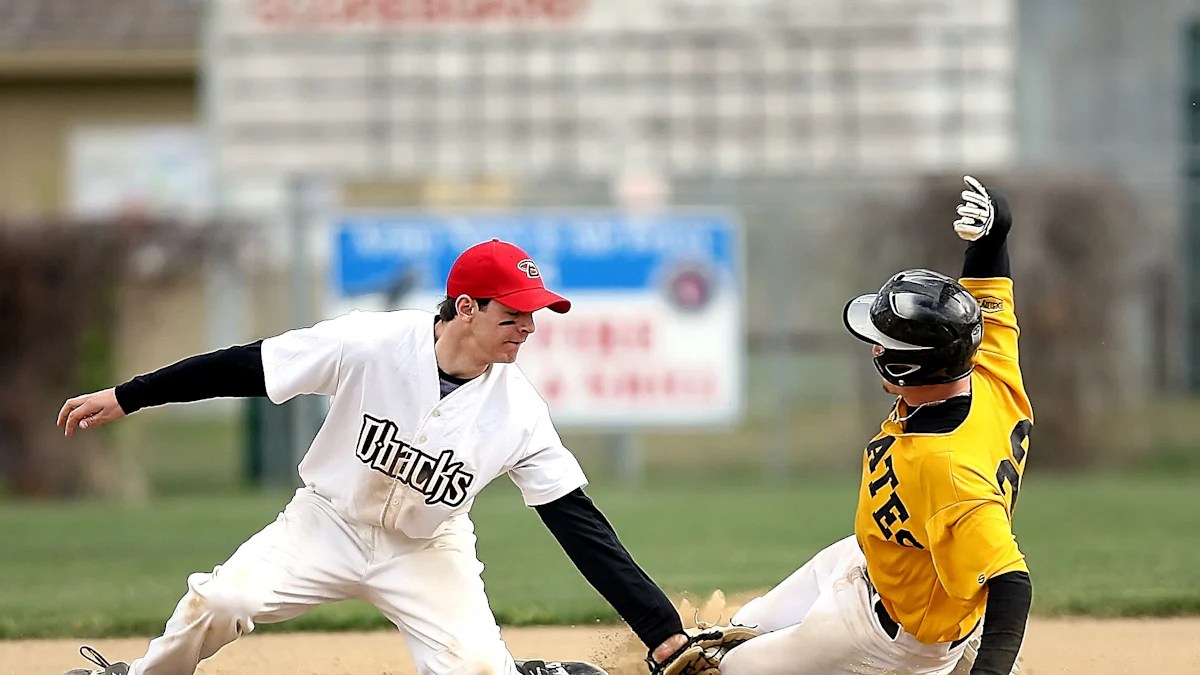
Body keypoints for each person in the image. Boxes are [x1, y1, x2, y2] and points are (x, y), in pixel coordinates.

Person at [58, 238, 689, 675]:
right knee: (223, 602)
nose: (530, 325)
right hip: (325, 524)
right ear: (466, 308)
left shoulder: (518, 410)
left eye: (536, 314)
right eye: (516, 313)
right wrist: (129, 396)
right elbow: (249, 365)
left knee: (472, 669)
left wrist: (660, 630)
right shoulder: (371, 342)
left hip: (425, 549)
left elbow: (578, 523)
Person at [657, 176, 1033, 675]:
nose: (874, 347)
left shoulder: (947, 467)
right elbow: (988, 284)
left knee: (723, 671)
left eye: (883, 343)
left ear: (905, 368)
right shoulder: (986, 368)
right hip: (877, 557)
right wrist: (994, 232)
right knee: (736, 631)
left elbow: (1011, 583)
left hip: (888, 636)